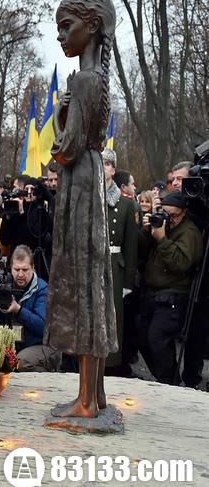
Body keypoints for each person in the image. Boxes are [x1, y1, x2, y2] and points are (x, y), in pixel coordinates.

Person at [44, 0, 118, 418]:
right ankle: (95, 396)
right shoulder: (94, 79)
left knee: (85, 284)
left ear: (91, 26)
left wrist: (59, 116)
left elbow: (65, 149)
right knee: (91, 283)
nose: (60, 36)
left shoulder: (85, 80)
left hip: (80, 180)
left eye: (66, 26)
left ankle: (87, 401)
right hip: (87, 179)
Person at [138, 191, 203, 384]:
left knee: (157, 338)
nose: (169, 219)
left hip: (173, 296)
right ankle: (165, 378)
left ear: (184, 213)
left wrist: (162, 239)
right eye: (166, 214)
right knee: (141, 337)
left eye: (174, 216)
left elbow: (181, 263)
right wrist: (147, 231)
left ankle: (170, 383)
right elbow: (140, 249)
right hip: (152, 294)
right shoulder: (163, 225)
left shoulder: (189, 232)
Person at [0, 245, 58, 371]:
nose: (20, 274)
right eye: (16, 269)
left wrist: (18, 310)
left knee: (22, 361)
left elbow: (43, 327)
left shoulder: (42, 289)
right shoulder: (5, 286)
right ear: (11, 268)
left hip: (43, 345)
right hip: (16, 345)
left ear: (33, 268)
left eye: (25, 270)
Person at [101, 149, 138, 376]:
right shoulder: (90, 199)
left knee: (114, 316)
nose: (103, 168)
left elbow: (131, 247)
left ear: (113, 169)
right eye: (100, 164)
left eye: (106, 164)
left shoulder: (126, 205)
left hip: (115, 264)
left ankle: (112, 364)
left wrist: (128, 282)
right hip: (95, 263)